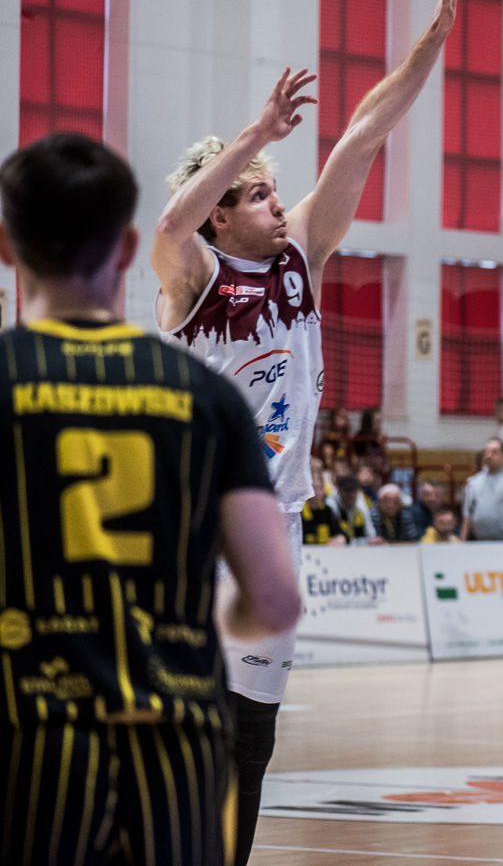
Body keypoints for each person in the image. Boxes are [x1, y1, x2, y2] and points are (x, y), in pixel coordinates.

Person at [150, 0, 462, 861]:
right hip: (189, 521)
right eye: (258, 195)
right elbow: (167, 224)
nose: (278, 204)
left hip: (275, 524)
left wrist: (429, 46)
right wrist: (252, 133)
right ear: (220, 214)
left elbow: (363, 133)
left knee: (252, 735)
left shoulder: (301, 256)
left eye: (276, 190)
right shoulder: (191, 273)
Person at [0, 133, 301, 863]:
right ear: (129, 249)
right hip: (173, 743)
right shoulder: (206, 397)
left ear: (7, 249)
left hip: (33, 739)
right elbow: (274, 601)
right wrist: (208, 617)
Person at [327, 475, 373, 542]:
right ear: (339, 491)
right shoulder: (331, 506)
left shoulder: (361, 506)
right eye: (346, 490)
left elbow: (370, 533)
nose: (350, 494)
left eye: (353, 490)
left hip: (359, 545)